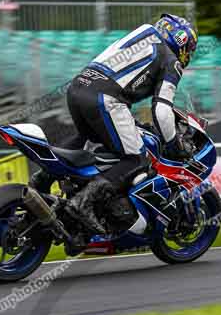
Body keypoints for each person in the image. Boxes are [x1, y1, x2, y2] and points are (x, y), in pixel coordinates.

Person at [43, 14, 199, 244]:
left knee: (88, 139)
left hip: (77, 88)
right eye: (189, 49)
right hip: (105, 99)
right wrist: (173, 142)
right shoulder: (171, 61)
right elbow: (162, 111)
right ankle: (82, 203)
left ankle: (41, 181)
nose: (188, 55)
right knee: (136, 159)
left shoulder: (143, 34)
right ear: (182, 42)